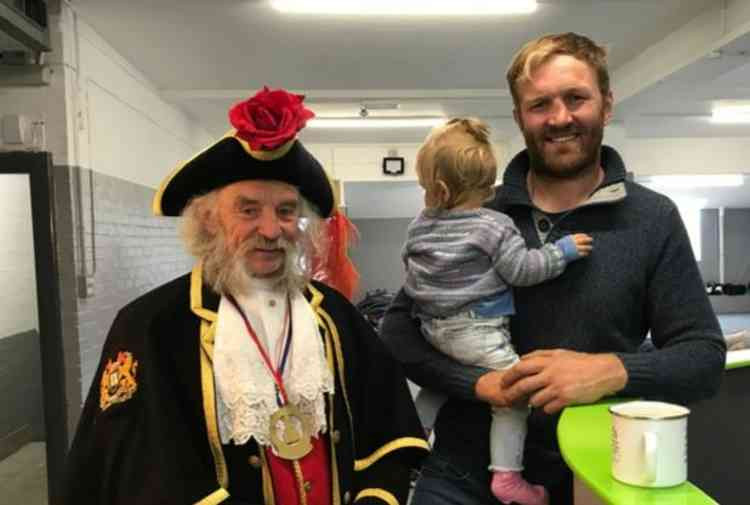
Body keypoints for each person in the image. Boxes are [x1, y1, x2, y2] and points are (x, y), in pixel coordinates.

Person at [381, 32, 726, 504]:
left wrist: (611, 370)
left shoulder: (653, 219)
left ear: (605, 105)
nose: (560, 117)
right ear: (520, 117)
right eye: (540, 104)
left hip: (590, 477)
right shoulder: (477, 213)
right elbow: (399, 330)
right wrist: (479, 384)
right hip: (458, 477)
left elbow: (703, 357)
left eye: (576, 98)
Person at [63, 87, 429, 505]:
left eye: (287, 211)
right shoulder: (152, 326)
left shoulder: (336, 316)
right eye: (248, 210)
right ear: (208, 220)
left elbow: (388, 431)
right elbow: (143, 468)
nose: (272, 230)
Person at [402, 117, 592, 505]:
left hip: (431, 326)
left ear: (435, 188)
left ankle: (410, 442)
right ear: (487, 185)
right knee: (511, 396)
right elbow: (522, 270)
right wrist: (563, 252)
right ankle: (507, 475)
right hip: (477, 329)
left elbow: (411, 270)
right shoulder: (494, 225)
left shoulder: (420, 224)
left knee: (438, 382)